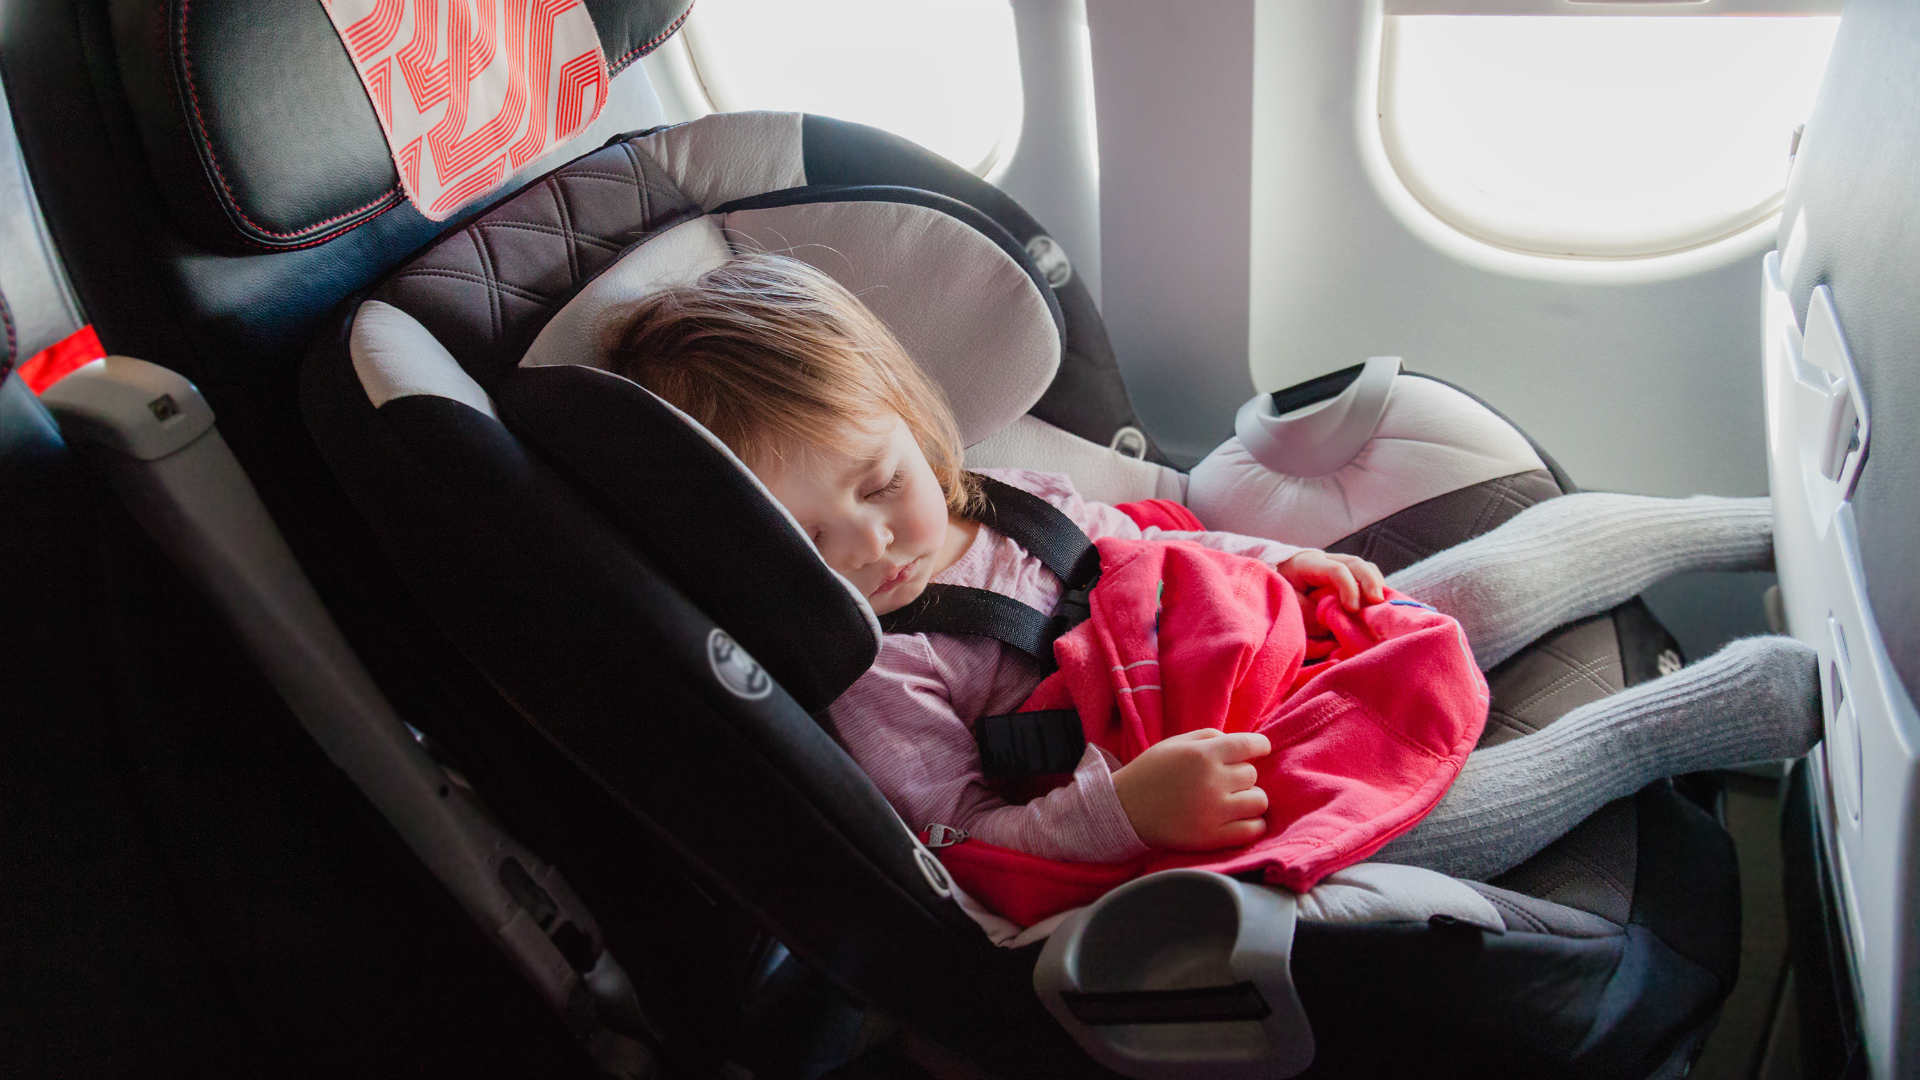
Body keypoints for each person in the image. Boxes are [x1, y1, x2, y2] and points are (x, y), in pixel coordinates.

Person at [605, 251, 1822, 887]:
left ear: (917, 431)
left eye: (879, 486)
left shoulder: (1006, 501)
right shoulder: (876, 673)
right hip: (1212, 775)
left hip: (1265, 647)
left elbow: (1150, 544)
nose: (872, 543)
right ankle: (1673, 729)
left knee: (1484, 588)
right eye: (808, 541)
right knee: (1416, 839)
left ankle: (1736, 520)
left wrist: (1288, 563)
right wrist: (1127, 811)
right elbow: (966, 840)